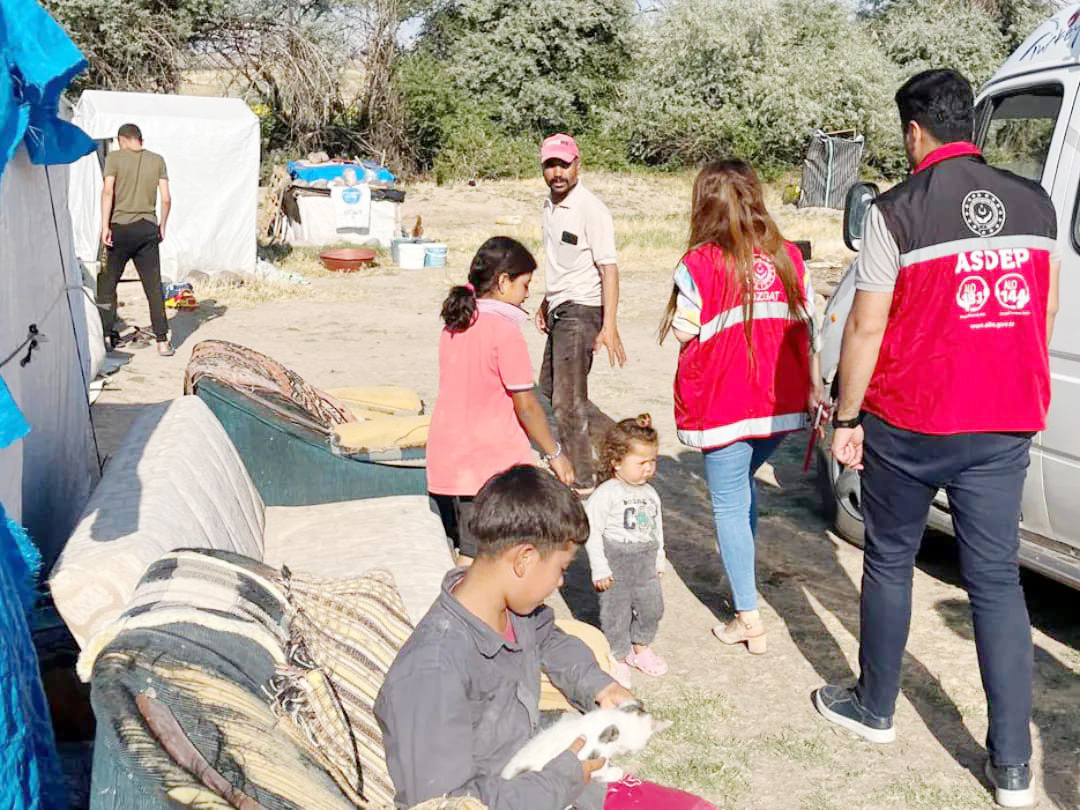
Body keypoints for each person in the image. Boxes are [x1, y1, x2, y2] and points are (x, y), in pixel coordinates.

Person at [812, 69, 1058, 809]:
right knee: (997, 584)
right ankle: (1013, 767)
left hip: (911, 422)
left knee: (890, 561)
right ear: (970, 126)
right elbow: (1040, 314)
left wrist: (846, 418)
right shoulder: (1036, 203)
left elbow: (865, 327)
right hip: (1004, 422)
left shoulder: (895, 212)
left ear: (915, 132)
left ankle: (875, 708)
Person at [375, 464, 716, 810]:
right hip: (525, 792)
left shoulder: (510, 610)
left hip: (545, 775)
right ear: (524, 558)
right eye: (561, 569)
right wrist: (565, 776)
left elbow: (549, 639)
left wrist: (598, 685)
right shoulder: (432, 672)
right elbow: (447, 804)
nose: (560, 583)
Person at [659, 160, 821, 656]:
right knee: (742, 488)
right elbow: (811, 325)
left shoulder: (700, 263)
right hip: (779, 405)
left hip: (724, 404)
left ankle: (748, 618)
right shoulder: (789, 255)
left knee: (729, 502)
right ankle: (743, 585)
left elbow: (684, 332)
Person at [427, 237, 574, 564]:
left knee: (465, 552)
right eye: (525, 285)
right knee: (483, 559)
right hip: (486, 465)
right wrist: (555, 453)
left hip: (448, 459)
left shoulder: (455, 326)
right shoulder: (504, 332)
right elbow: (527, 405)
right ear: (504, 281)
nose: (527, 294)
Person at [536, 133, 626, 493]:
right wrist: (546, 301)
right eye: (550, 165)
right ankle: (624, 444)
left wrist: (609, 325)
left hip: (582, 310)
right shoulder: (549, 206)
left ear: (578, 164)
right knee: (552, 389)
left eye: (563, 164)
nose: (557, 172)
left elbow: (609, 269)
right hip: (560, 307)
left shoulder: (591, 209)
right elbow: (560, 262)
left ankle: (583, 479)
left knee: (567, 403)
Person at [585, 415, 668, 686]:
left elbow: (656, 529)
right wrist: (600, 568)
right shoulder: (606, 494)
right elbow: (592, 532)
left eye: (652, 461)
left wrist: (659, 558)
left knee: (652, 608)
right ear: (616, 461)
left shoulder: (651, 494)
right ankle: (618, 656)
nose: (648, 468)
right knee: (616, 613)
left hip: (645, 563)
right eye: (641, 463)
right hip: (616, 563)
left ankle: (640, 648)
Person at [98, 123, 174, 356]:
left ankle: (106, 336)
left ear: (122, 139)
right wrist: (162, 225)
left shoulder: (114, 158)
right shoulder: (157, 160)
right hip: (147, 228)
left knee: (108, 284)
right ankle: (162, 341)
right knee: (153, 287)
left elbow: (108, 191)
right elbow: (166, 198)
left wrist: (105, 226)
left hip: (120, 228)